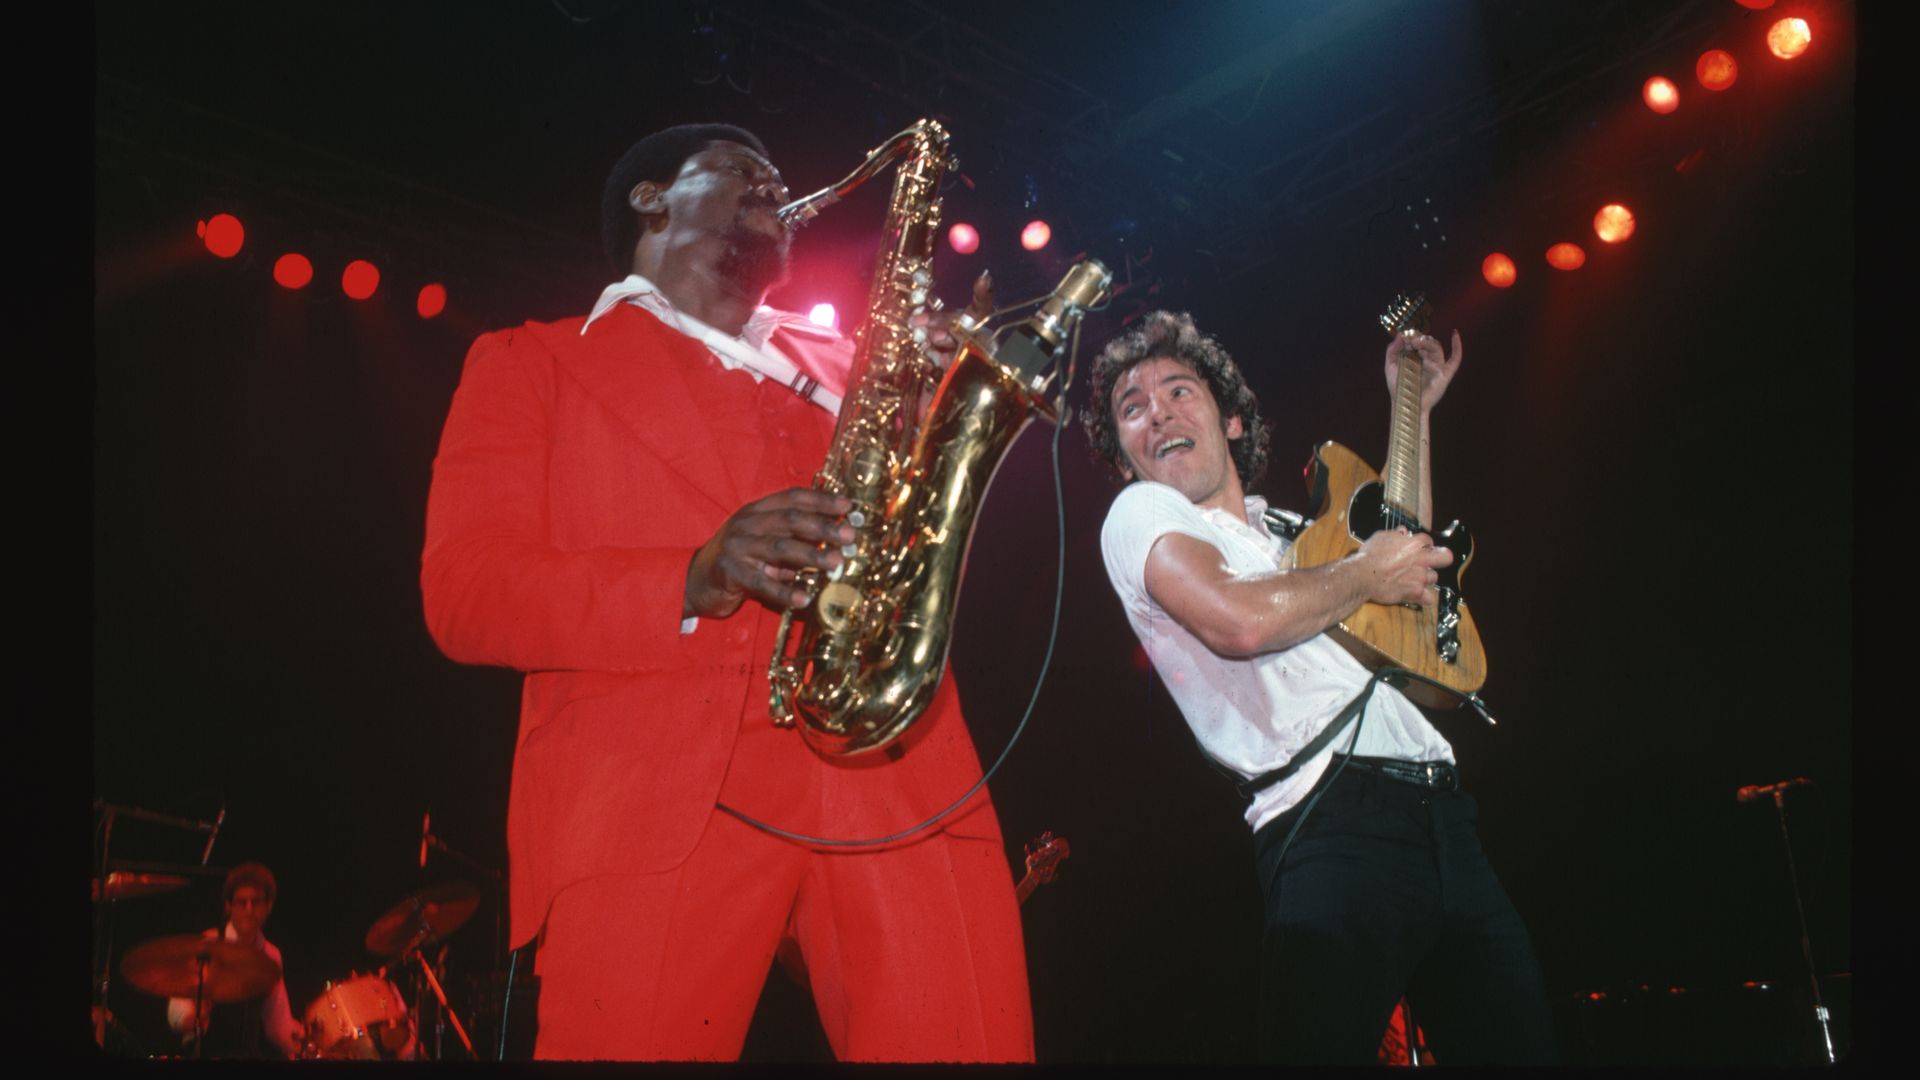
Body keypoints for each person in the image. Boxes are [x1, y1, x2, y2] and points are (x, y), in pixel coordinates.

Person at [420, 123, 1031, 1062]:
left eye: (778, 175)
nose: (777, 186)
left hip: (893, 755)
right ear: (650, 198)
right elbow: (466, 592)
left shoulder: (853, 368)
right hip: (650, 786)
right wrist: (691, 575)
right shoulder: (528, 361)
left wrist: (938, 403)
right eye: (745, 169)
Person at [1085, 310, 1556, 1064]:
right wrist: (1369, 569)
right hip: (1329, 823)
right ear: (1125, 452)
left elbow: (1408, 601)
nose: (1159, 414)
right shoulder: (1143, 515)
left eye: (1180, 391)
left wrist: (1416, 413)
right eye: (1132, 408)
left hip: (1445, 819)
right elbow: (1238, 622)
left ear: (1232, 420)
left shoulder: (1298, 534)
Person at [165, 862, 304, 1059]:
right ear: (229, 906)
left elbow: (277, 1025)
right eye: (242, 902)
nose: (249, 909)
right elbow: (174, 1017)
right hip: (206, 1054)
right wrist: (198, 1015)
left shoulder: (271, 955)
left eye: (256, 902)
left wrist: (306, 1042)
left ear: (268, 906)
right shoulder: (209, 945)